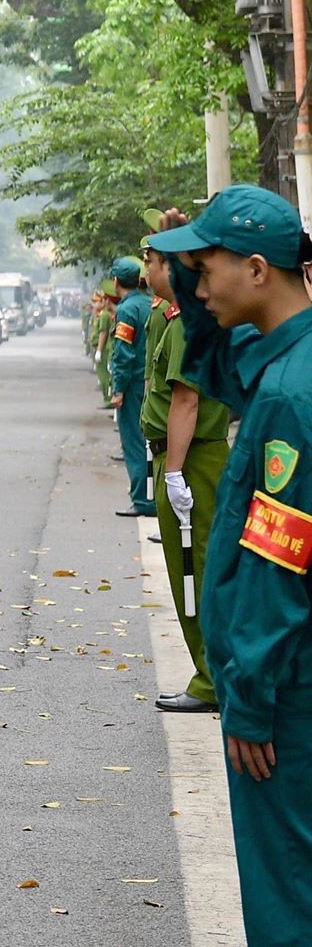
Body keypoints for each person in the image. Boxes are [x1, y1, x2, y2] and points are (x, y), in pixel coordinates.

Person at [149, 185, 312, 947]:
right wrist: (190, 269)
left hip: (283, 696)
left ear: (256, 269)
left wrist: (245, 698)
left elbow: (280, 567)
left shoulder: (285, 397)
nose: (197, 283)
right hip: (289, 678)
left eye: (207, 264)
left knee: (286, 892)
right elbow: (219, 360)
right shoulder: (282, 361)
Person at [141, 212, 230, 713]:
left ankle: (210, 680)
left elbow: (185, 403)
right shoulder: (176, 320)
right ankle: (210, 674)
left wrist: (173, 472)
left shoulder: (180, 328)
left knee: (194, 573)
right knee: (194, 569)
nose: (150, 272)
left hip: (191, 459)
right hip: (190, 458)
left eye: (155, 263)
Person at [108, 257, 154, 518]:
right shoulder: (149, 304)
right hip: (149, 382)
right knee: (149, 442)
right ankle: (152, 496)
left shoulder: (126, 311)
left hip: (133, 384)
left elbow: (123, 353)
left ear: (116, 282)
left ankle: (142, 499)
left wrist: (118, 389)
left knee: (134, 442)